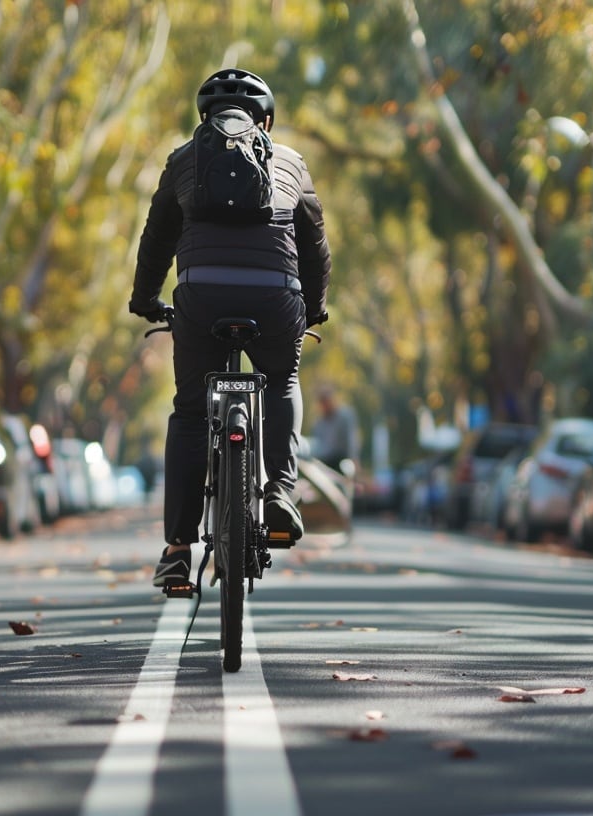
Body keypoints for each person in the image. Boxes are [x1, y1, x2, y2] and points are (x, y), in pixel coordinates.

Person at [128, 68, 333, 590]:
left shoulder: (182, 160)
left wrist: (144, 300)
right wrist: (314, 308)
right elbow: (314, 247)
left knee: (192, 412)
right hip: (276, 297)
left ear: (205, 119)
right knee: (282, 383)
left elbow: (156, 240)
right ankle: (280, 493)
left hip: (201, 294)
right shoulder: (290, 162)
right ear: (266, 120)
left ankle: (177, 548)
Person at [311, 384, 359, 473]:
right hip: (324, 463)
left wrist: (354, 459)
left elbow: (351, 440)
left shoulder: (345, 416)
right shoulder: (319, 423)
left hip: (342, 461)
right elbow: (317, 445)